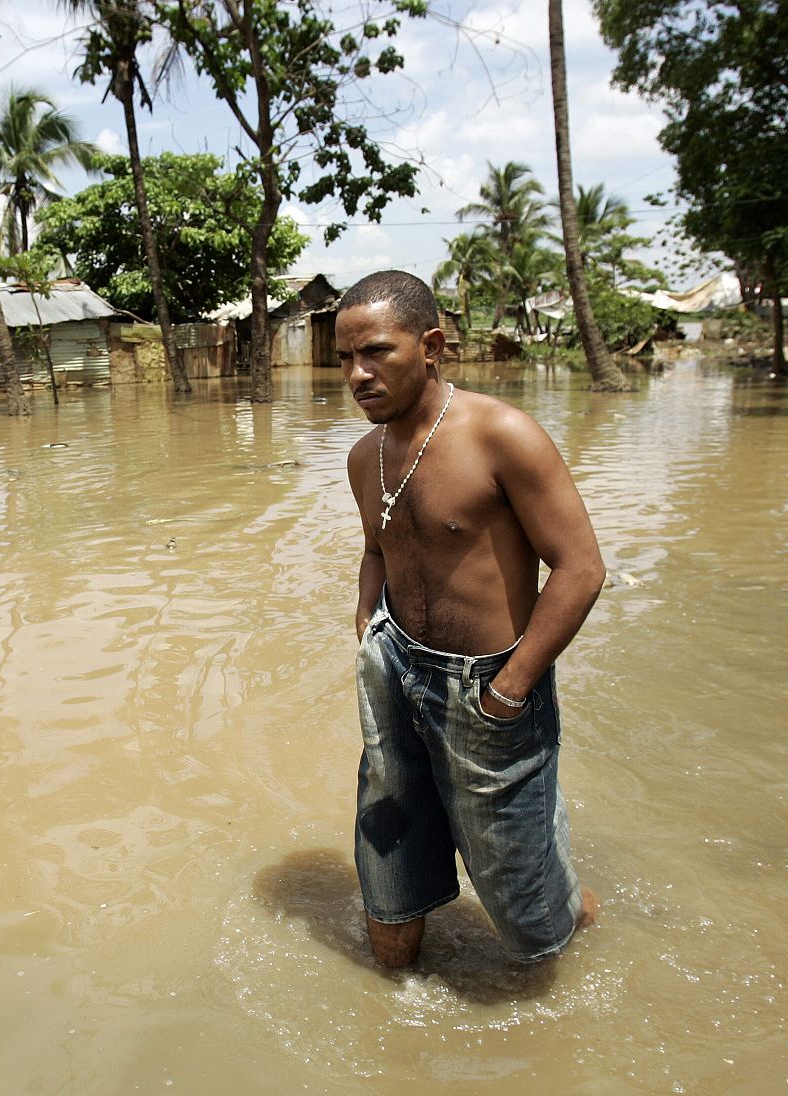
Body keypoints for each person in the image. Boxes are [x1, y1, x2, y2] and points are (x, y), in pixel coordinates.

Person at [337, 270, 604, 968]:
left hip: (488, 690)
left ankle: (568, 900)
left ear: (431, 345)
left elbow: (579, 568)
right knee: (389, 909)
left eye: (376, 352)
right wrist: (367, 614)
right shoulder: (365, 456)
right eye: (344, 358)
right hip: (395, 671)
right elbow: (377, 544)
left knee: (530, 928)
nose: (357, 374)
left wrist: (512, 689)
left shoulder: (502, 436)